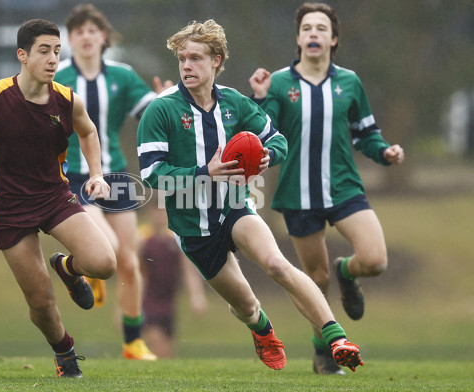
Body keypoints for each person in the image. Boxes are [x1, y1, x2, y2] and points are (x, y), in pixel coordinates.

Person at [137, 19, 364, 373]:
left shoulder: (234, 103)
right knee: (244, 305)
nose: (186, 66)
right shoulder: (161, 109)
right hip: (192, 227)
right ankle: (261, 328)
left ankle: (336, 338)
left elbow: (277, 140)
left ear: (217, 60)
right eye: (182, 58)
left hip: (235, 207)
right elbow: (152, 175)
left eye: (195, 58)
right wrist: (204, 173)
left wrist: (264, 157)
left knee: (276, 263)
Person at [0, 19, 117, 378]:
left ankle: (67, 267)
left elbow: (88, 132)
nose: (53, 58)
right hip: (8, 206)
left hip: (54, 196)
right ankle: (65, 353)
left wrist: (96, 175)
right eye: (44, 51)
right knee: (41, 302)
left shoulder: (65, 99)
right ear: (23, 55)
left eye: (58, 51)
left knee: (105, 262)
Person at [249, 2, 404, 375]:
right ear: (298, 38)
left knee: (375, 261)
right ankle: (323, 351)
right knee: (315, 280)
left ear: (333, 39)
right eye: (307, 28)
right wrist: (259, 96)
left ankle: (347, 273)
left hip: (344, 188)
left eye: (321, 28)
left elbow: (366, 133)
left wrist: (384, 151)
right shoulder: (280, 83)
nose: (313, 33)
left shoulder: (349, 82)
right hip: (297, 195)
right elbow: (260, 133)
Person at [54, 4, 171, 361]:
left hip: (116, 175)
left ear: (103, 37)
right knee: (105, 244)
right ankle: (85, 268)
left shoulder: (122, 75)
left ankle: (133, 343)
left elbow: (150, 111)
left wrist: (166, 98)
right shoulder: (57, 77)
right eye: (78, 32)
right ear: (70, 40)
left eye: (92, 30)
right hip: (75, 175)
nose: (86, 37)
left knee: (131, 262)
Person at [139, 203, 208, 358]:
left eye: (163, 210)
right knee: (158, 345)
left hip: (170, 304)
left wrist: (197, 296)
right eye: (155, 210)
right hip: (148, 302)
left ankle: (158, 379)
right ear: (148, 213)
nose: (159, 215)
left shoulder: (176, 239)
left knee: (168, 353)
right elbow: (133, 274)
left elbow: (188, 271)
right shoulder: (142, 239)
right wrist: (124, 308)